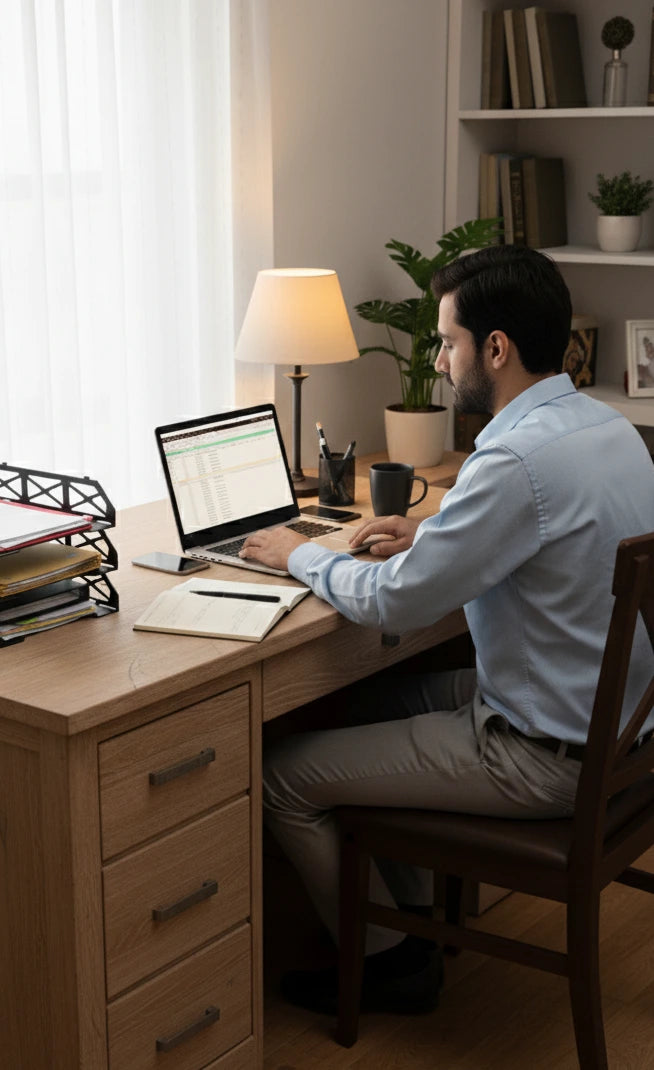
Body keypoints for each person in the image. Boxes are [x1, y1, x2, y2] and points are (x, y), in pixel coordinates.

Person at [239, 245, 654, 1017]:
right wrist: (432, 541)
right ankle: (412, 922)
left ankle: (391, 959)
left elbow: (397, 604)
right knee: (360, 705)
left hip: (541, 754)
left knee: (281, 775)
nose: (439, 358)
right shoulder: (608, 429)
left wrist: (299, 554)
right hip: (617, 730)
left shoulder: (514, 460)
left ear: (494, 349)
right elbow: (541, 546)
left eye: (447, 341)